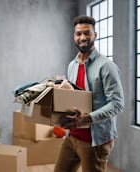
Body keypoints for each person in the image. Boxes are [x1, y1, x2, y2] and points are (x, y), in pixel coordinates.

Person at [54, 15, 124, 172]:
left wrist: (87, 118)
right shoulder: (72, 65)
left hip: (95, 141)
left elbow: (117, 104)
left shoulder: (106, 66)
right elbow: (72, 97)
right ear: (74, 36)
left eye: (87, 33)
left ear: (95, 35)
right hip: (72, 137)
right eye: (78, 34)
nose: (82, 37)